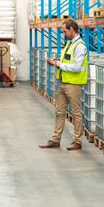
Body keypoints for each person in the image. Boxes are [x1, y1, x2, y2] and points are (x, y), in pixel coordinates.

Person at [39, 19, 88, 151]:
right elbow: (65, 60)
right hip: (63, 82)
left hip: (73, 84)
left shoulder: (80, 46)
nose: (63, 33)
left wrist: (59, 64)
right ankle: (55, 139)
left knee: (76, 113)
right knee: (59, 112)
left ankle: (77, 141)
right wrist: (55, 61)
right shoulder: (69, 44)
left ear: (72, 29)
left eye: (65, 31)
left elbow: (77, 67)